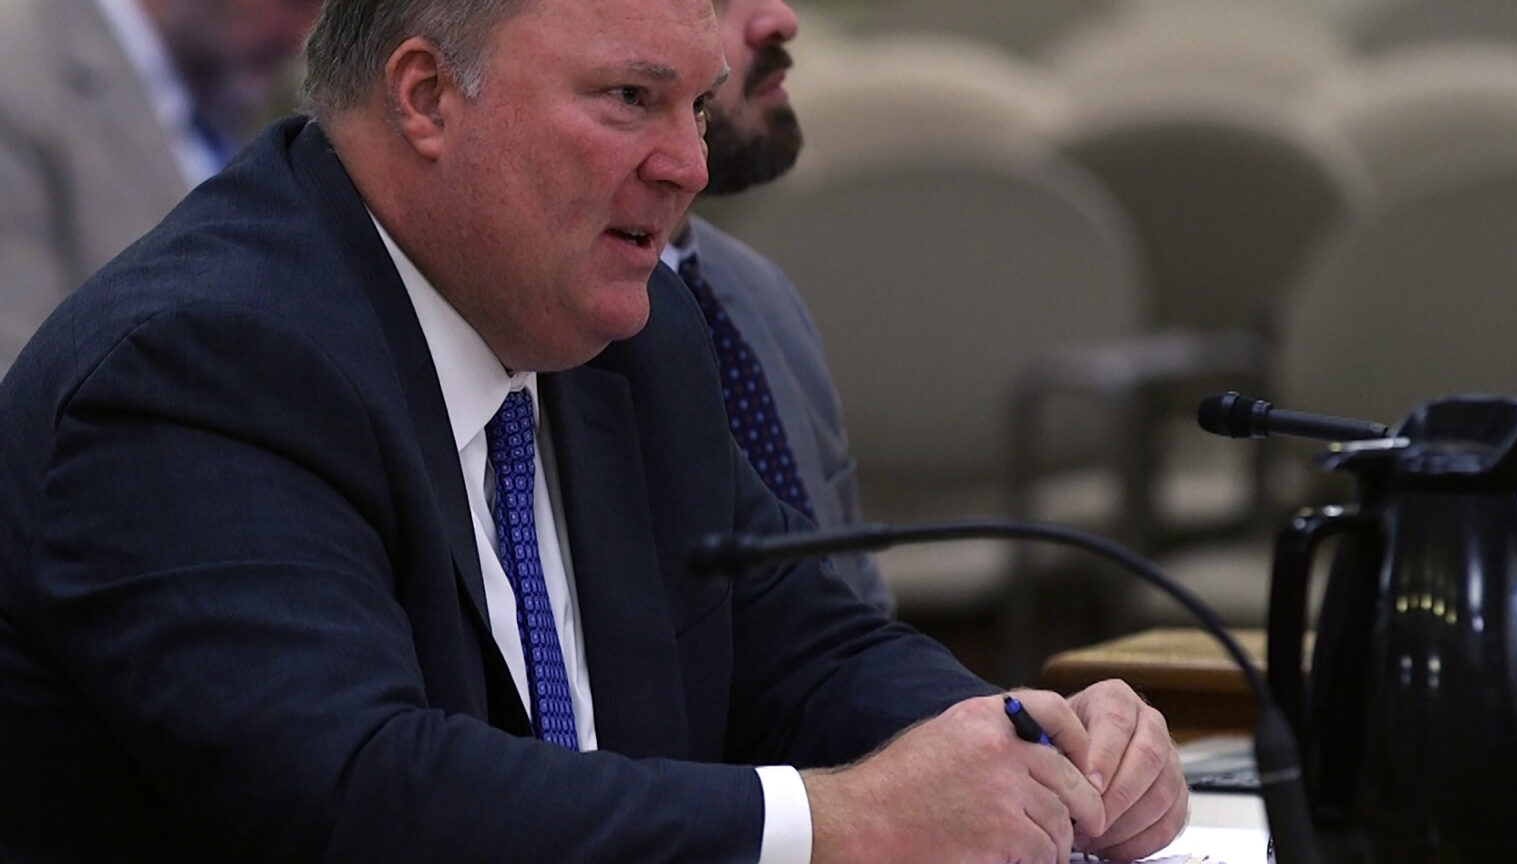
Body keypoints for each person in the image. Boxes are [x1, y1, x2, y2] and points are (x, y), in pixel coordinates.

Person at [0, 0, 1188, 861]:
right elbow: (365, 799)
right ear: (425, 97)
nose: (687, 164)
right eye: (631, 99)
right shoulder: (201, 365)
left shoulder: (630, 330)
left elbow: (806, 648)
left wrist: (1019, 747)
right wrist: (847, 822)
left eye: (692, 102)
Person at [662, 0, 892, 613]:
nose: (781, 20)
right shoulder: (551, 323)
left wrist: (986, 709)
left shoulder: (760, 296)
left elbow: (856, 608)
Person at [0, 0, 321, 372]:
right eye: (296, 4)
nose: (301, 39)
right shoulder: (19, 79)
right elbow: (13, 372)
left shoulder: (242, 93)